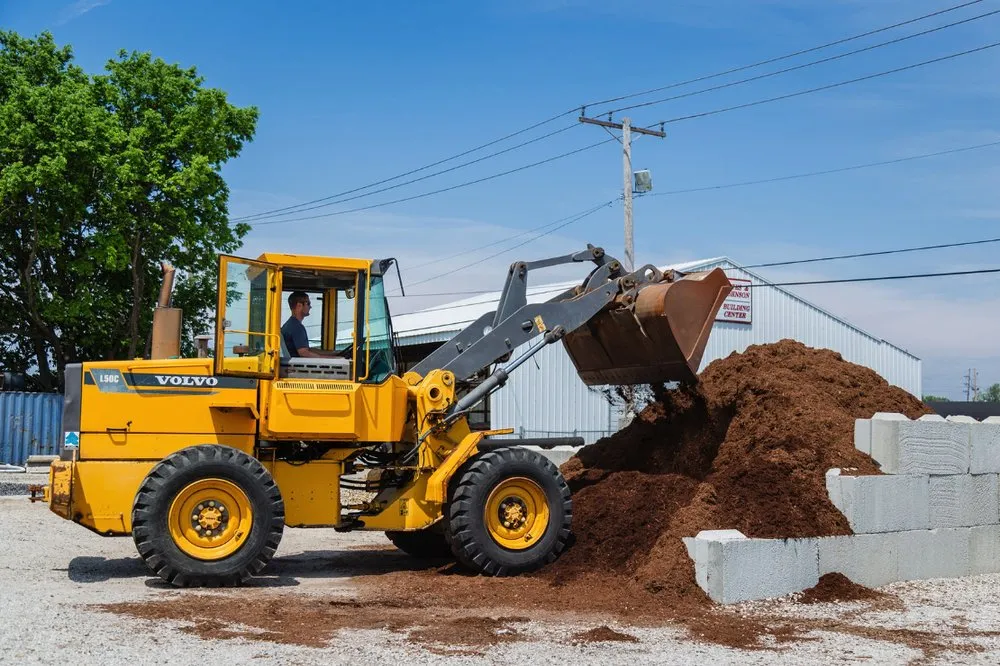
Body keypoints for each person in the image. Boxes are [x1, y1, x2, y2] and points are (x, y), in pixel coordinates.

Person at [281, 291, 346, 358]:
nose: (310, 307)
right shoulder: (296, 327)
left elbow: (308, 350)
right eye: (308, 303)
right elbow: (304, 353)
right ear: (299, 305)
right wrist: (334, 359)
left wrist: (334, 353)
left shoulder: (290, 324)